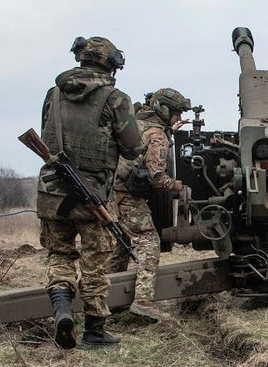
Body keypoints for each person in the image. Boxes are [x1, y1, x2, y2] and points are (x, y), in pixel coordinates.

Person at [36, 36, 143, 349]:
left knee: (59, 255)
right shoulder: (116, 98)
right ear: (111, 65)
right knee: (94, 264)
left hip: (52, 193)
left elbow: (47, 136)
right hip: (92, 197)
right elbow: (133, 147)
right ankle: (95, 331)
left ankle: (63, 309)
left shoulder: (53, 94)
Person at [108, 88, 192, 322]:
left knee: (121, 244)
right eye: (175, 113)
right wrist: (176, 186)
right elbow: (156, 177)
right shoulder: (157, 135)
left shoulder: (137, 124)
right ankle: (142, 301)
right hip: (127, 195)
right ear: (163, 110)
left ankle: (105, 300)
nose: (177, 118)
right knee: (148, 241)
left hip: (110, 193)